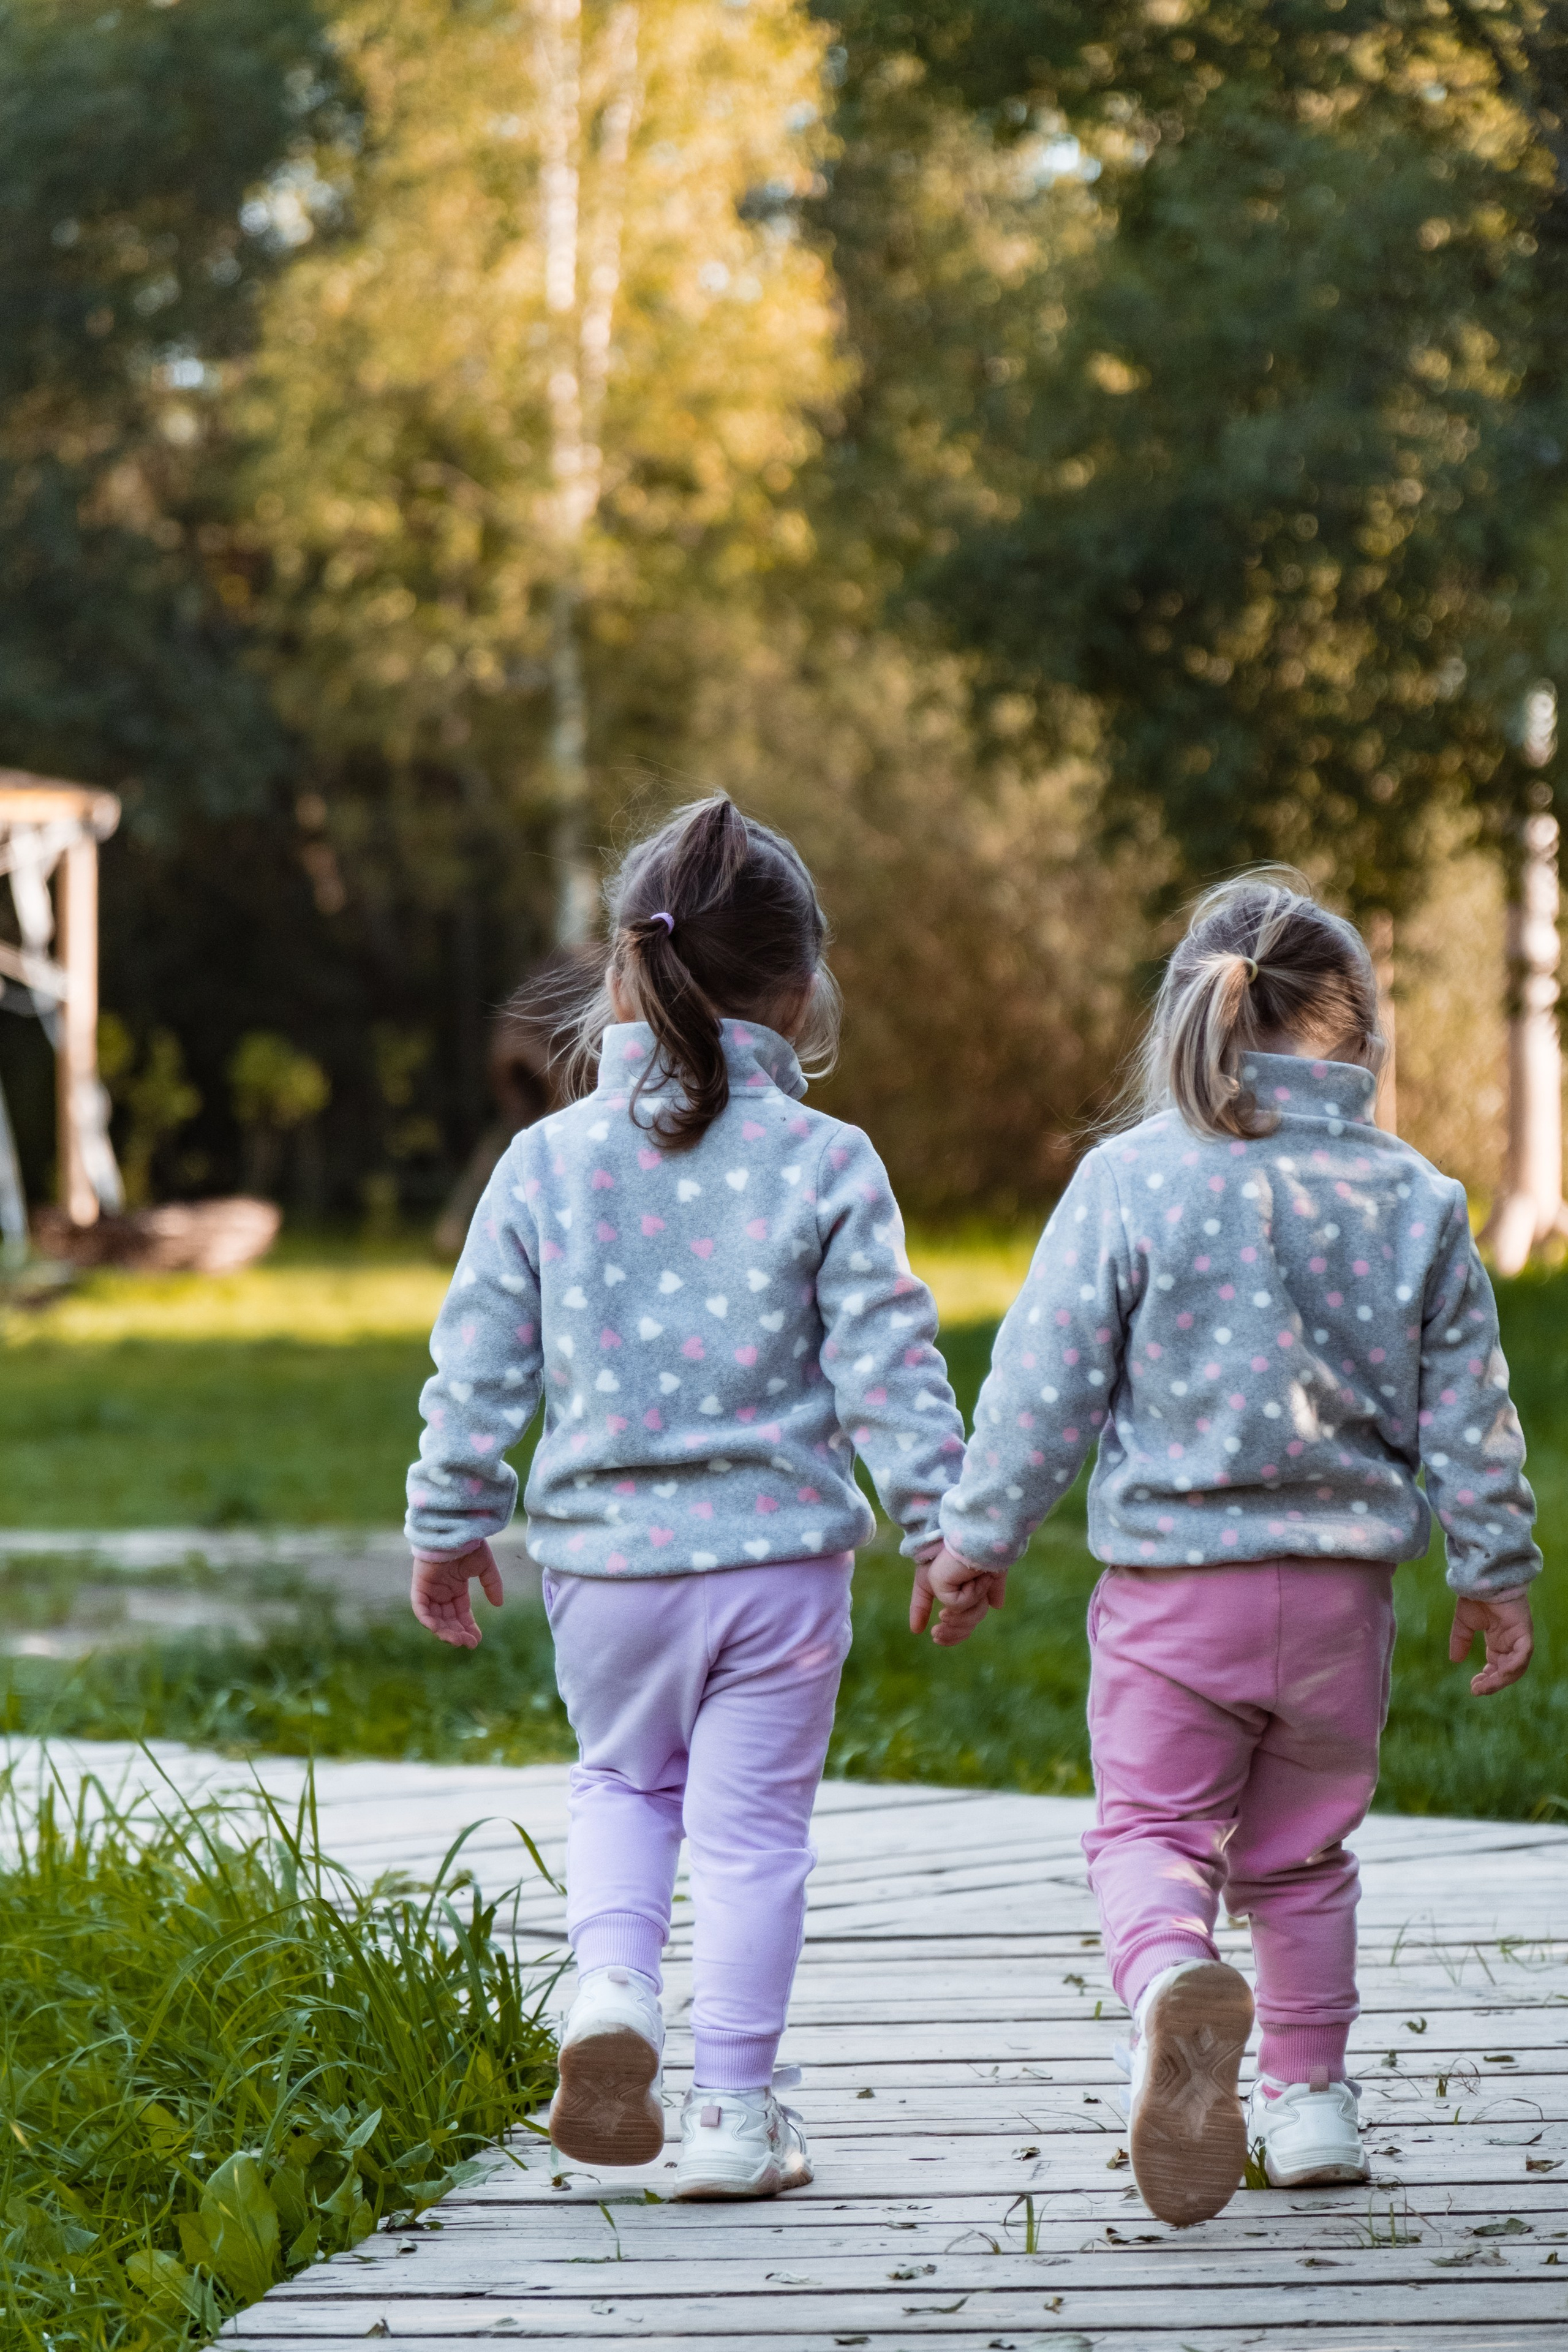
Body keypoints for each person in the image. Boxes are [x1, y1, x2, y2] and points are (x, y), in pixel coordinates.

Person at [914, 872, 1539, 2228]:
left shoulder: (1130, 1183)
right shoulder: (1413, 1198)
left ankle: (1165, 1990)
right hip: (1336, 1608)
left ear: (1188, 1020)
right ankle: (1309, 2104)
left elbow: (1042, 1385)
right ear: (1361, 1035)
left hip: (1170, 1604)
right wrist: (1492, 1568)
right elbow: (1468, 1407)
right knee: (1301, 1859)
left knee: (1149, 1831)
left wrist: (977, 1536)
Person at [405, 796, 966, 2200]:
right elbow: (889, 1367)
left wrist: (451, 1513)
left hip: (605, 1570)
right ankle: (731, 2115)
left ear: (621, 973)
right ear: (800, 985)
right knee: (752, 1834)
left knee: (620, 1785)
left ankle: (610, 1989)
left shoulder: (546, 1162)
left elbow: (478, 1360)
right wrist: (944, 1522)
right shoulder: (827, 1161)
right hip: (778, 1567)